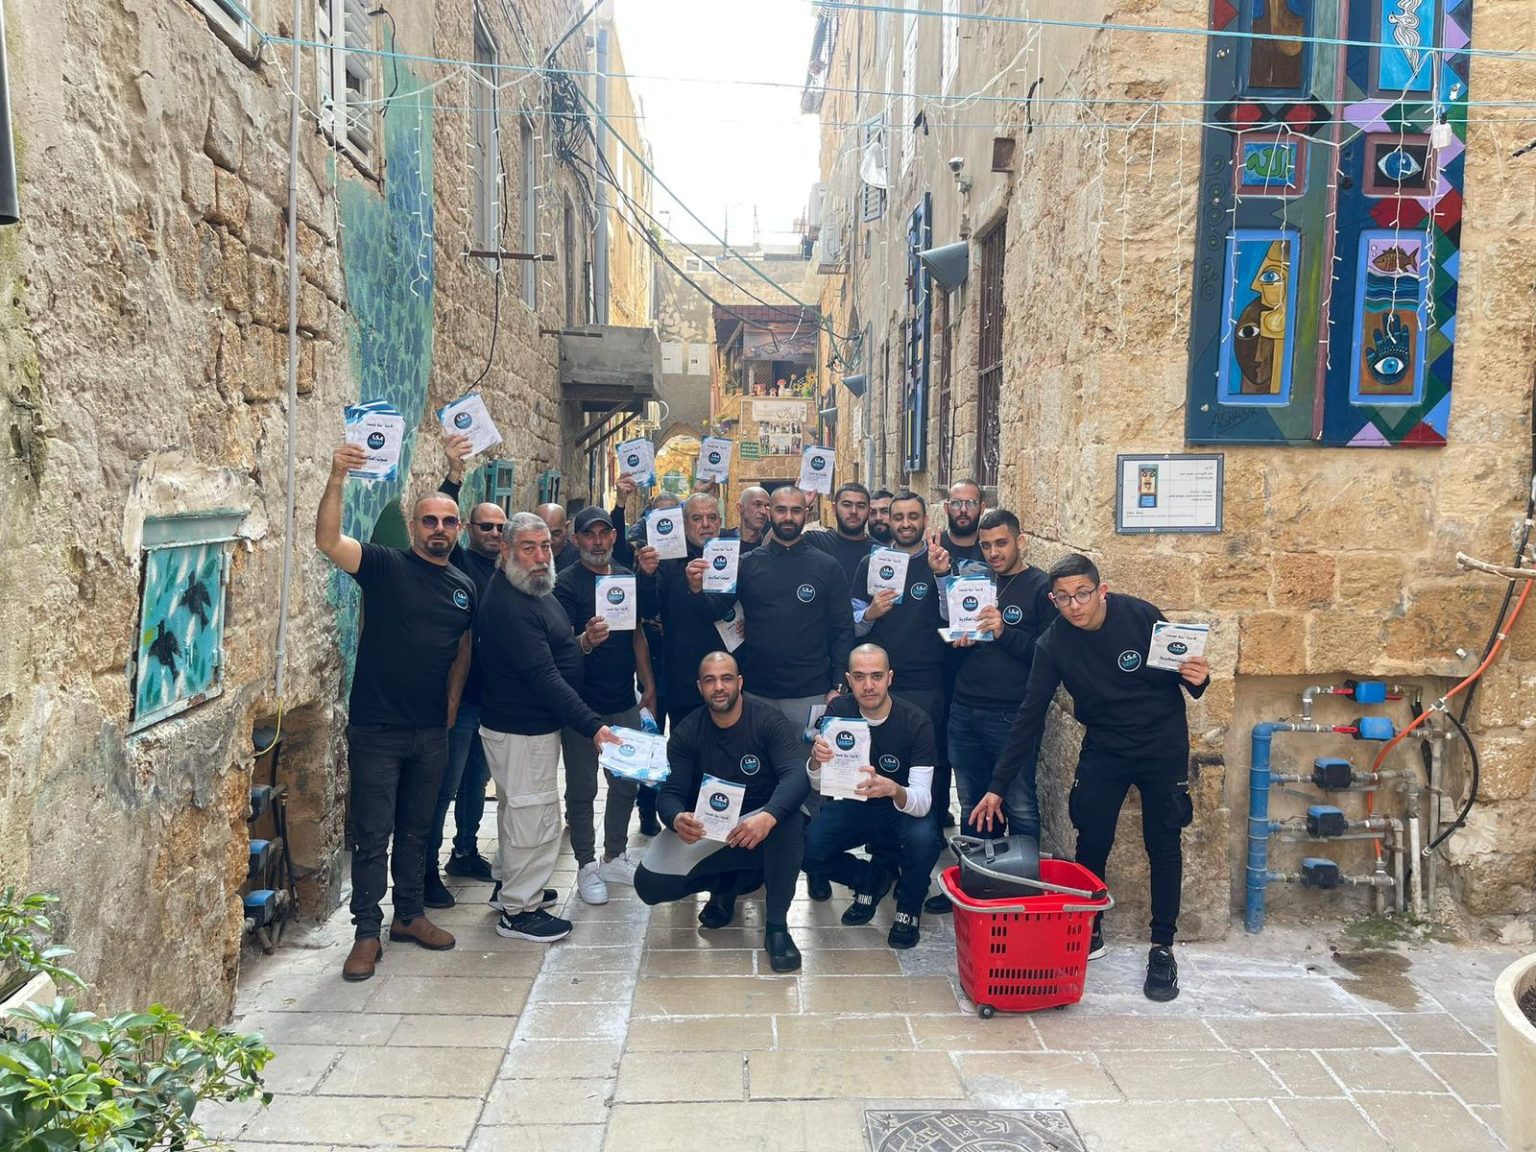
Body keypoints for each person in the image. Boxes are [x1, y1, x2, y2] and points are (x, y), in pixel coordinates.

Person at [971, 553, 1211, 1003]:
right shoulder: (1054, 643)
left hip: (1161, 747)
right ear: (1053, 600)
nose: (1074, 605)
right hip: (1105, 748)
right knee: (1092, 841)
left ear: (1101, 591)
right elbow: (1029, 715)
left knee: (1163, 844)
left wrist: (1200, 679)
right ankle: (1088, 927)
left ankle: (1162, 946)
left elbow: (1187, 677)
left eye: (1082, 594)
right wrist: (997, 787)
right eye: (1063, 597)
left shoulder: (1140, 616)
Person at [316, 443, 473, 981]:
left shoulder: (463, 587)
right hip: (378, 728)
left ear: (458, 530)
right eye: (429, 520)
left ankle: (408, 915)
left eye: (448, 522)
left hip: (430, 731)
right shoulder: (385, 566)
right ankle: (366, 932)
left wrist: (452, 700)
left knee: (416, 828)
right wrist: (337, 477)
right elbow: (328, 541)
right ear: (413, 527)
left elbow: (463, 647)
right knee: (372, 834)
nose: (439, 529)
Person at [475, 512, 621, 943]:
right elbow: (544, 676)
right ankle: (520, 911)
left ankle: (511, 886)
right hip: (521, 729)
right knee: (534, 817)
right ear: (506, 550)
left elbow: (553, 650)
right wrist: (593, 727)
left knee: (518, 810)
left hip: (529, 728)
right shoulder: (509, 605)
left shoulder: (532, 589)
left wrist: (582, 643)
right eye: (529, 548)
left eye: (544, 547)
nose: (541, 557)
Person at [634, 652, 810, 972]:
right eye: (710, 680)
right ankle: (727, 886)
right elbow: (670, 793)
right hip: (713, 829)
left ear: (739, 683)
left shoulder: (768, 721)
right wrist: (676, 818)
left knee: (790, 820)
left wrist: (768, 816)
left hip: (762, 824)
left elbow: (796, 775)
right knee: (649, 883)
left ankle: (777, 928)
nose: (719, 687)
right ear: (699, 687)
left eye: (726, 678)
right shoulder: (687, 731)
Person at [804, 645, 942, 948]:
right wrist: (815, 761)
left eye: (876, 676)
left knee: (924, 839)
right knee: (807, 850)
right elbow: (818, 785)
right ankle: (870, 879)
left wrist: (893, 789)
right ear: (848, 680)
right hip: (857, 804)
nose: (868, 685)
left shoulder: (916, 721)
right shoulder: (838, 712)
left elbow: (922, 802)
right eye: (860, 677)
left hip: (901, 807)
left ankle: (909, 907)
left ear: (890, 677)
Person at [553, 506, 657, 904]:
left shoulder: (627, 578)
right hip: (581, 706)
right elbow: (558, 646)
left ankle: (614, 855)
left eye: (604, 533)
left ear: (614, 536)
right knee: (582, 789)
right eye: (589, 534)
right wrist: (585, 640)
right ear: (576, 539)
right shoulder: (565, 584)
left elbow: (637, 634)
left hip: (621, 700)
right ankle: (585, 864)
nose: (597, 542)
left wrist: (648, 684)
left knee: (626, 783)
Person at [696, 485, 854, 735]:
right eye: (781, 510)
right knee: (755, 760)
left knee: (808, 760)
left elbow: (843, 629)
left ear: (806, 513)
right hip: (757, 692)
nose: (788, 517)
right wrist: (697, 589)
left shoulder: (827, 567)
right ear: (770, 512)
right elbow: (713, 612)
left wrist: (838, 685)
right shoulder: (746, 564)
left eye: (795, 510)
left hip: (810, 693)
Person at [946, 509, 1056, 841]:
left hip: (1011, 715)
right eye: (986, 545)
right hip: (963, 709)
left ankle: (1023, 875)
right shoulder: (974, 583)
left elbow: (1047, 655)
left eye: (1001, 543)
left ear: (1020, 541)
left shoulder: (1041, 587)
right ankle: (978, 873)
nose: (993, 552)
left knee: (1020, 806)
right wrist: (959, 641)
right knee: (972, 805)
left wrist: (1004, 632)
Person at [427, 436, 500, 897]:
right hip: (459, 701)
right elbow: (443, 513)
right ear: (468, 529)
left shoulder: (506, 571)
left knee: (476, 782)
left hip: (490, 702)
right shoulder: (458, 562)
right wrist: (454, 475)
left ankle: (466, 851)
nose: (493, 533)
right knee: (444, 786)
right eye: (485, 526)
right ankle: (426, 869)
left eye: (499, 528)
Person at [634, 492, 726, 730]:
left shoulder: (730, 557)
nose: (705, 524)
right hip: (683, 680)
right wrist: (646, 575)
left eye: (711, 517)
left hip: (725, 680)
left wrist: (696, 591)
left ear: (720, 522)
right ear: (684, 524)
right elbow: (649, 608)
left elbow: (716, 610)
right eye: (697, 518)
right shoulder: (667, 561)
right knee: (685, 747)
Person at [806, 482, 873, 583]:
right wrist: (801, 504)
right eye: (847, 505)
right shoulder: (815, 542)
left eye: (860, 506)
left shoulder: (880, 552)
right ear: (834, 509)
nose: (854, 511)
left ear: (869, 511)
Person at [939, 479, 986, 562]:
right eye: (956, 503)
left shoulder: (991, 551)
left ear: (982, 508)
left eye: (971, 503)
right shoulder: (932, 549)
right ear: (946, 507)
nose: (963, 509)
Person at [722, 485, 771, 552]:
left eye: (767, 506)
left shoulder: (768, 546)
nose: (763, 512)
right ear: (740, 508)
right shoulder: (721, 539)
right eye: (757, 504)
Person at [536, 502, 581, 572]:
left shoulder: (580, 562)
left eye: (556, 534)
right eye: (543, 534)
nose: (550, 542)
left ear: (566, 528)